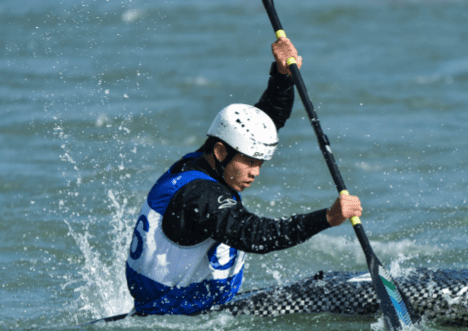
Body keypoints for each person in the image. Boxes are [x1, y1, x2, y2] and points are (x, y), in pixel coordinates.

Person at [125, 37, 362, 315]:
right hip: (176, 312)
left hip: (182, 301)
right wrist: (326, 218)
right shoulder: (202, 197)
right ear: (221, 151)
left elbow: (266, 119)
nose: (255, 172)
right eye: (249, 162)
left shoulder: (200, 163)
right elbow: (255, 235)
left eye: (259, 162)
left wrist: (282, 76)